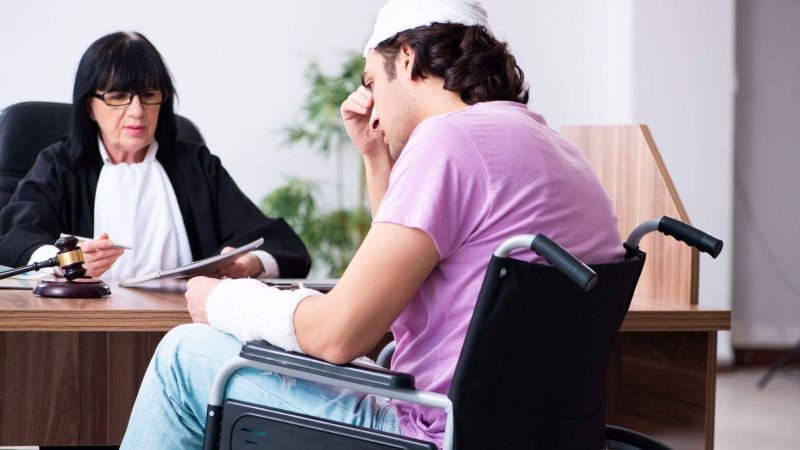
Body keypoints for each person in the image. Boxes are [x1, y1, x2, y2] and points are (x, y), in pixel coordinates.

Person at [120, 1, 624, 448]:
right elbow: (398, 292)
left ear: (406, 56)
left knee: (183, 354)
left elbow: (341, 335)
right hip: (517, 433)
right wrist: (375, 156)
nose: (372, 107)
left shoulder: (449, 142)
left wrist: (222, 300)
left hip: (425, 432)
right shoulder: (556, 149)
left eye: (370, 83)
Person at [0, 32, 310, 280]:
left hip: (182, 324)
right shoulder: (59, 164)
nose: (137, 111)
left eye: (149, 95)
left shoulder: (196, 166)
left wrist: (249, 263)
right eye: (118, 96)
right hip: (80, 330)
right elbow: (15, 236)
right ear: (89, 107)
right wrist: (65, 262)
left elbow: (279, 243)